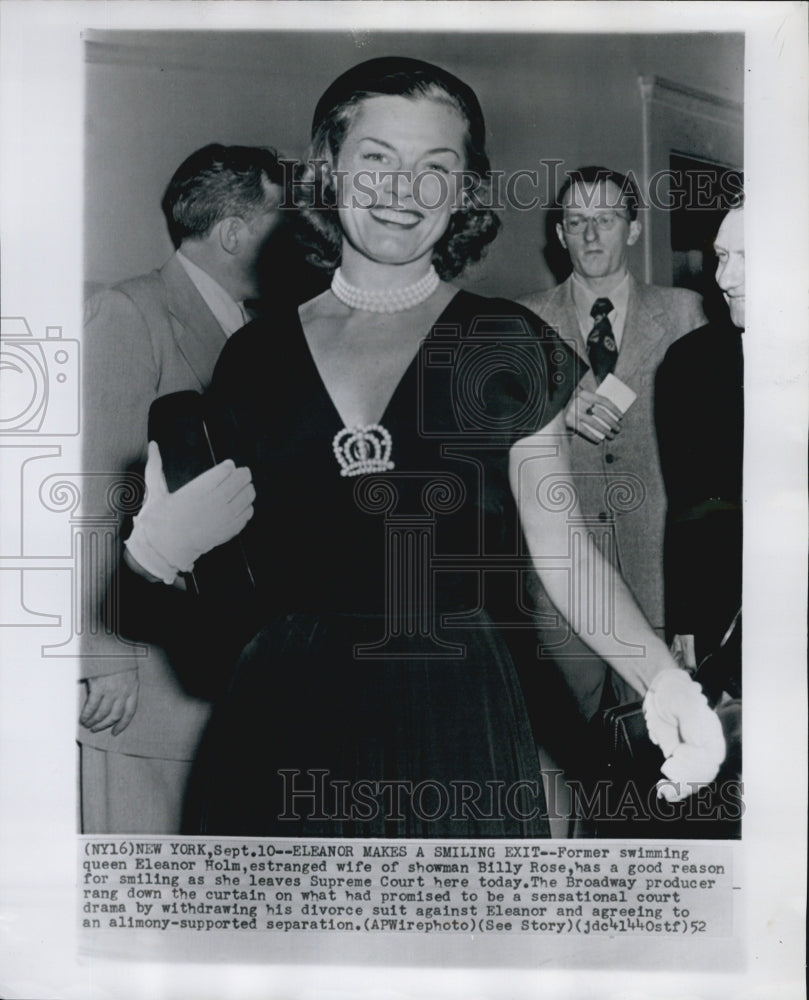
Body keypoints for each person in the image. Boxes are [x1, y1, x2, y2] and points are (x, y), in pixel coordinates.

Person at [126, 58, 725, 838]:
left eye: (435, 167)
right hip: (282, 706)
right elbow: (219, 600)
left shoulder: (506, 344)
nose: (404, 190)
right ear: (327, 171)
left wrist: (662, 683)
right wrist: (153, 555)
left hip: (454, 707)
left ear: (467, 191)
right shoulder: (253, 358)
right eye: (376, 159)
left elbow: (563, 551)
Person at [79, 143, 286, 833]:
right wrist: (103, 655)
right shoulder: (130, 312)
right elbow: (96, 492)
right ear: (234, 232)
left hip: (228, 667)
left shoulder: (255, 330)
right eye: (281, 219)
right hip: (146, 678)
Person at [519, 167, 707, 722]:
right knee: (568, 748)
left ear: (632, 229)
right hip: (560, 587)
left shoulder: (684, 314)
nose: (591, 235)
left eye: (606, 219)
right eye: (577, 222)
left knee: (656, 744)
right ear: (560, 234)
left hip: (659, 573)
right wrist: (546, 404)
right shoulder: (523, 321)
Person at [656, 201, 744, 691]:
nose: (726, 278)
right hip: (724, 611)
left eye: (748, 258)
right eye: (722, 256)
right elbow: (688, 505)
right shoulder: (690, 363)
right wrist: (685, 622)